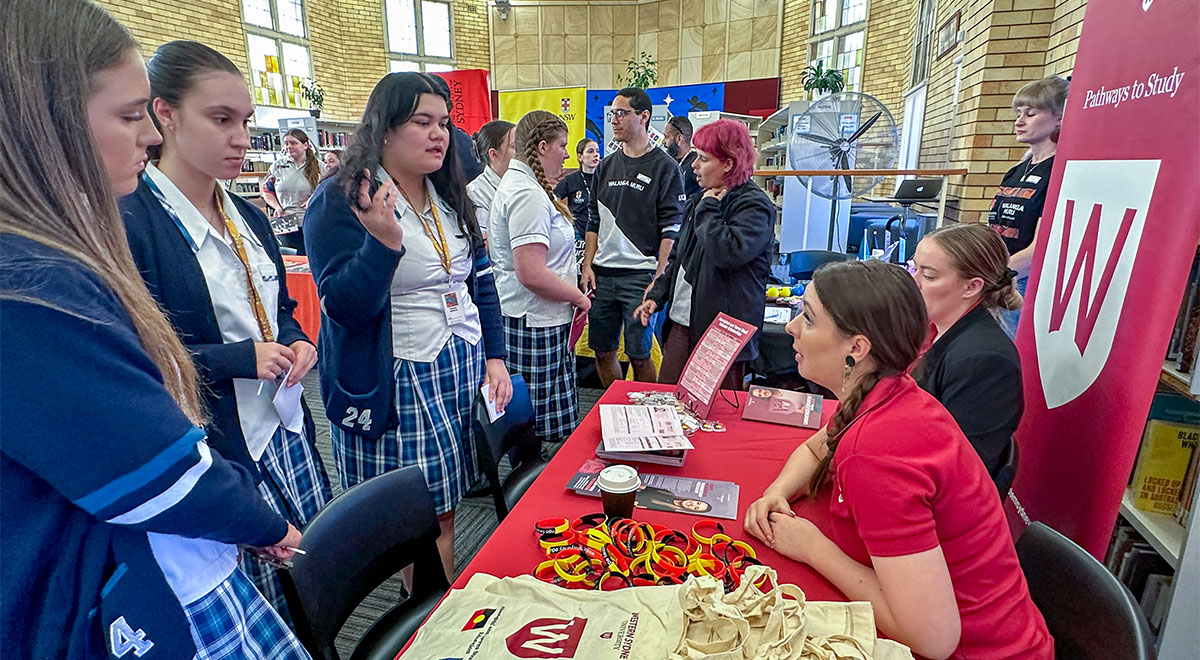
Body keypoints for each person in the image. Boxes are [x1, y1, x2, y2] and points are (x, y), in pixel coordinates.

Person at [1, 2, 307, 658]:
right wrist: (263, 519)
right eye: (128, 114)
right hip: (125, 582)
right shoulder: (33, 282)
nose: (145, 136)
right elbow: (155, 471)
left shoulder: (237, 216)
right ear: (48, 119)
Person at [119, 40, 333, 625]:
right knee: (262, 600)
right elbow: (139, 358)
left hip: (284, 426)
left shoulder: (249, 215)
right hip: (220, 443)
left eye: (245, 122)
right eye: (220, 120)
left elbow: (280, 307)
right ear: (164, 114)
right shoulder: (135, 223)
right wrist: (240, 356)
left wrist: (298, 339)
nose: (241, 138)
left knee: (316, 579)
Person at [744, 260, 1052, 660]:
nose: (791, 328)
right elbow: (815, 447)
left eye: (808, 318)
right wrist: (778, 492)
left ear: (857, 347)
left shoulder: (877, 449)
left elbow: (933, 639)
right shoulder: (887, 390)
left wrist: (811, 546)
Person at [304, 72, 512, 581]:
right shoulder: (341, 199)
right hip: (396, 375)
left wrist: (495, 354)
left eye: (444, 122)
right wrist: (382, 242)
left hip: (458, 362)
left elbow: (478, 281)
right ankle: (421, 619)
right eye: (422, 122)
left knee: (448, 501)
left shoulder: (446, 189)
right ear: (384, 130)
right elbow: (344, 308)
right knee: (417, 514)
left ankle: (429, 607)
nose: (439, 134)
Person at [634, 119, 775, 387]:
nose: (695, 166)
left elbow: (729, 253)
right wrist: (657, 294)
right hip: (683, 324)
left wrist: (709, 210)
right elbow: (679, 259)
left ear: (729, 164)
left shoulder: (754, 206)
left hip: (721, 334)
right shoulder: (702, 199)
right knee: (669, 402)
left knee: (713, 418)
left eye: (703, 159)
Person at [489, 110, 591, 447]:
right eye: (562, 146)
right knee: (536, 428)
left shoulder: (528, 186)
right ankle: (534, 491)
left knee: (539, 422)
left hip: (539, 316)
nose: (567, 154)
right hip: (535, 320)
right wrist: (578, 297)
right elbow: (530, 272)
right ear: (543, 147)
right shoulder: (527, 194)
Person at [581, 87, 685, 385]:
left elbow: (671, 229)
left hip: (640, 275)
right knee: (602, 350)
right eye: (612, 113)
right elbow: (593, 219)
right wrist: (587, 265)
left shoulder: (665, 167)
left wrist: (659, 277)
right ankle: (613, 408)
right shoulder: (606, 166)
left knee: (640, 354)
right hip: (603, 274)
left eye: (621, 113)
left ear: (644, 116)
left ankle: (643, 416)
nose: (614, 120)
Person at [909, 224, 1023, 478]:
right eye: (914, 269)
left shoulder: (985, 361)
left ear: (971, 287)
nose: (913, 282)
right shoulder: (934, 331)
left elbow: (954, 464)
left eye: (928, 276)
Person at [987, 76, 1068, 334]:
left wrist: (988, 275)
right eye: (1018, 113)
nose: (1019, 121)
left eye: (1030, 114)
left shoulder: (1058, 173)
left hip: (1023, 284)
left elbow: (1040, 250)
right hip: (999, 278)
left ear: (1060, 118)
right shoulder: (1015, 172)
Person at [263, 128, 321, 253]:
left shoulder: (319, 166)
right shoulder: (277, 166)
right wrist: (277, 207)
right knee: (291, 257)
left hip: (312, 221)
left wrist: (314, 198)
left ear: (305, 145)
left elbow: (330, 190)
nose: (289, 147)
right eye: (286, 143)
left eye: (293, 143)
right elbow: (267, 191)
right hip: (286, 222)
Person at [466, 119, 515, 238]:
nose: (522, 152)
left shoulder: (522, 181)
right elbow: (482, 240)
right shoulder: (477, 192)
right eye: (514, 146)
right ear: (493, 154)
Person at [555, 138, 601, 243]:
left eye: (597, 151)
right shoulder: (570, 180)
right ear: (580, 156)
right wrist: (565, 217)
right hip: (578, 232)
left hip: (600, 231)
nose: (596, 154)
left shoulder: (605, 178)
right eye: (590, 151)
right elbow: (552, 198)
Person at [664, 115, 700, 199]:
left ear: (679, 139)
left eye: (666, 137)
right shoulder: (673, 164)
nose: (663, 142)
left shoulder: (695, 165)